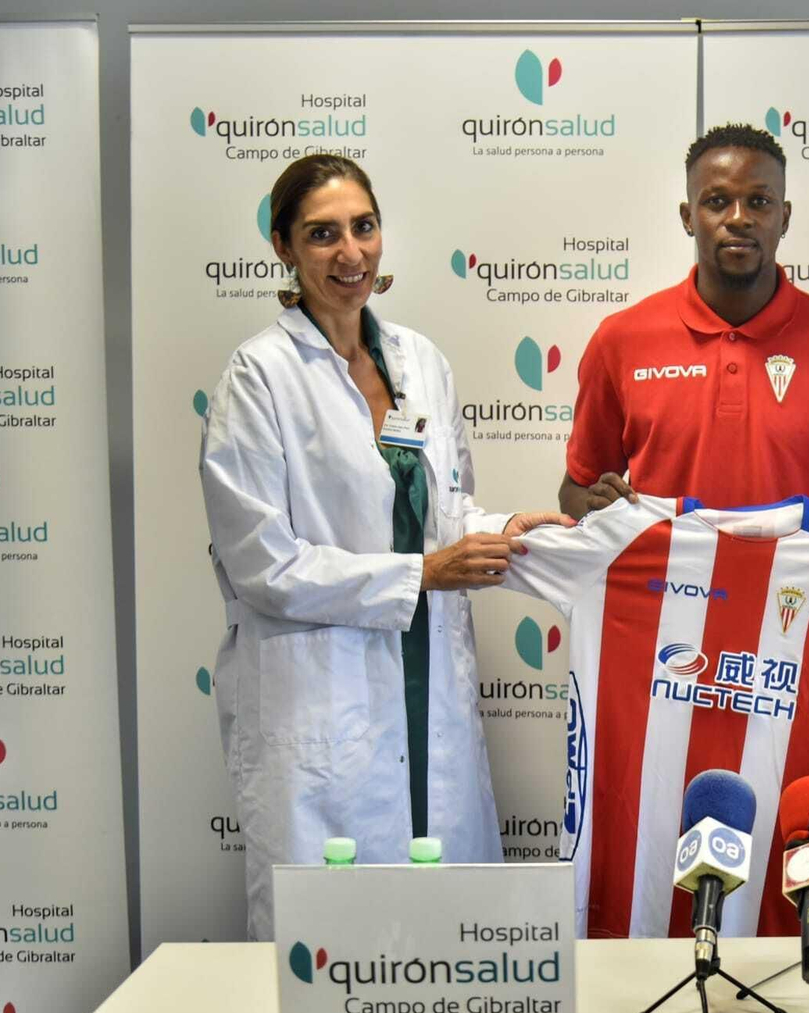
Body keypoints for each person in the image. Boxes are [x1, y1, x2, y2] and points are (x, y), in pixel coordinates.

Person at [199, 154, 569, 940]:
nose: (350, 253)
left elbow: (441, 508)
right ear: (283, 249)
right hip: (322, 701)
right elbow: (262, 565)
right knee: (335, 953)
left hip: (424, 684)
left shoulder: (419, 363)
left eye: (363, 228)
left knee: (447, 944)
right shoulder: (259, 378)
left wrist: (500, 532)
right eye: (322, 234)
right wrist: (424, 573)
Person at [560, 123, 809, 521]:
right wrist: (600, 513)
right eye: (717, 201)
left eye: (759, 202)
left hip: (790, 585)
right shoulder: (620, 340)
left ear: (784, 218)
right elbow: (578, 489)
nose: (739, 218)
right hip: (660, 583)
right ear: (687, 217)